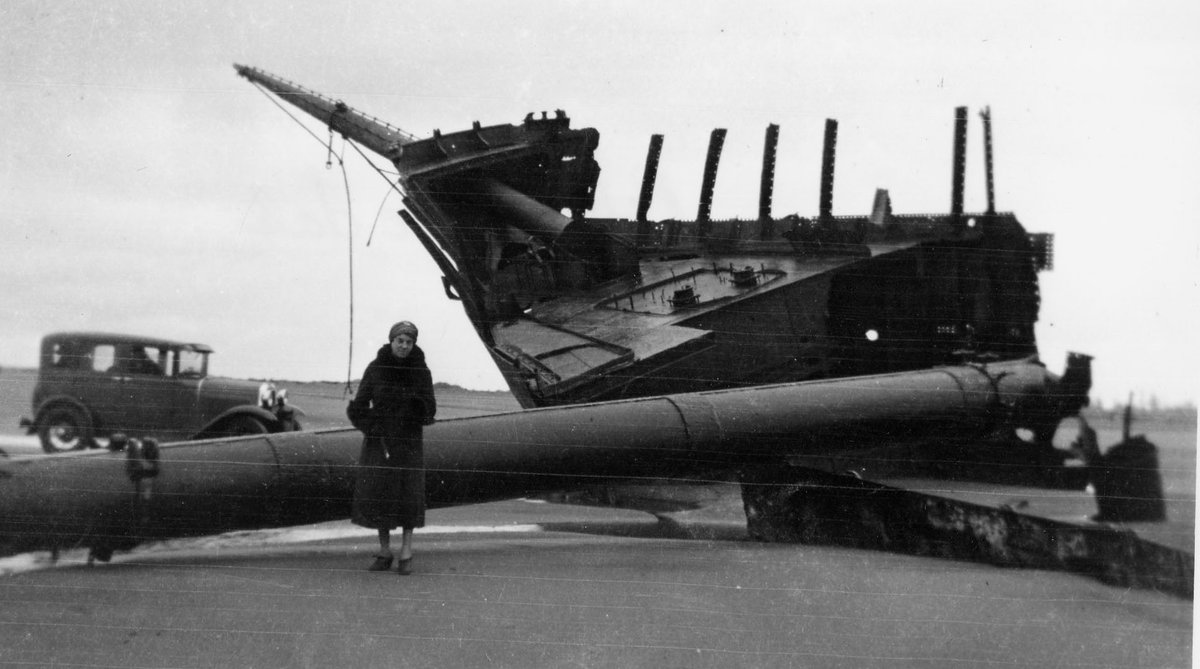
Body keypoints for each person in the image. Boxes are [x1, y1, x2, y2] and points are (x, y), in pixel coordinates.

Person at [347, 321, 436, 575]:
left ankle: (406, 551)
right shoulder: (376, 368)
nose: (404, 346)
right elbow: (359, 406)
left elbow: (431, 407)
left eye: (409, 342)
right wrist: (371, 426)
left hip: (409, 441)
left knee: (409, 495)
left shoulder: (422, 371)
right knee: (380, 494)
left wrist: (417, 407)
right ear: (391, 341)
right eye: (400, 341)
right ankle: (384, 551)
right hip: (380, 442)